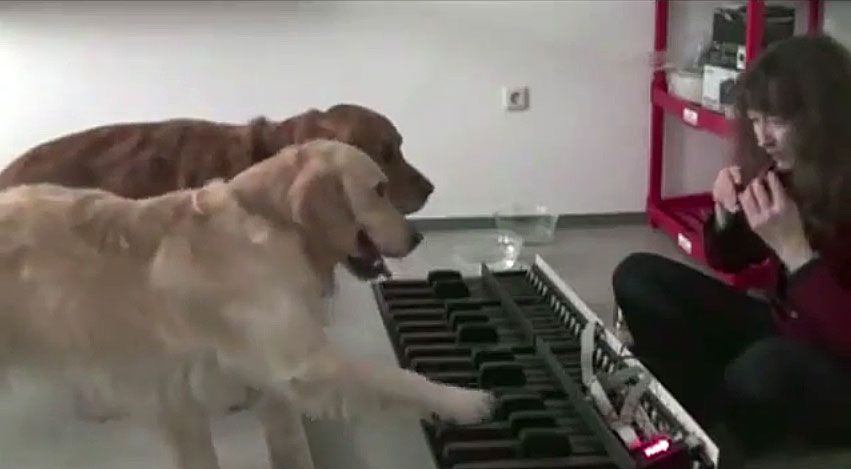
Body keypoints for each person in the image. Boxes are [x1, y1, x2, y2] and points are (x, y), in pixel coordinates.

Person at [612, 33, 851, 460]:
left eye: (777, 121)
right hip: (790, 332)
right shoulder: (795, 167)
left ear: (825, 118)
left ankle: (712, 424)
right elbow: (728, 258)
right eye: (756, 121)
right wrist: (726, 215)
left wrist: (796, 253)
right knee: (638, 275)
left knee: (763, 368)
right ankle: (691, 415)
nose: (763, 139)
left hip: (837, 367)